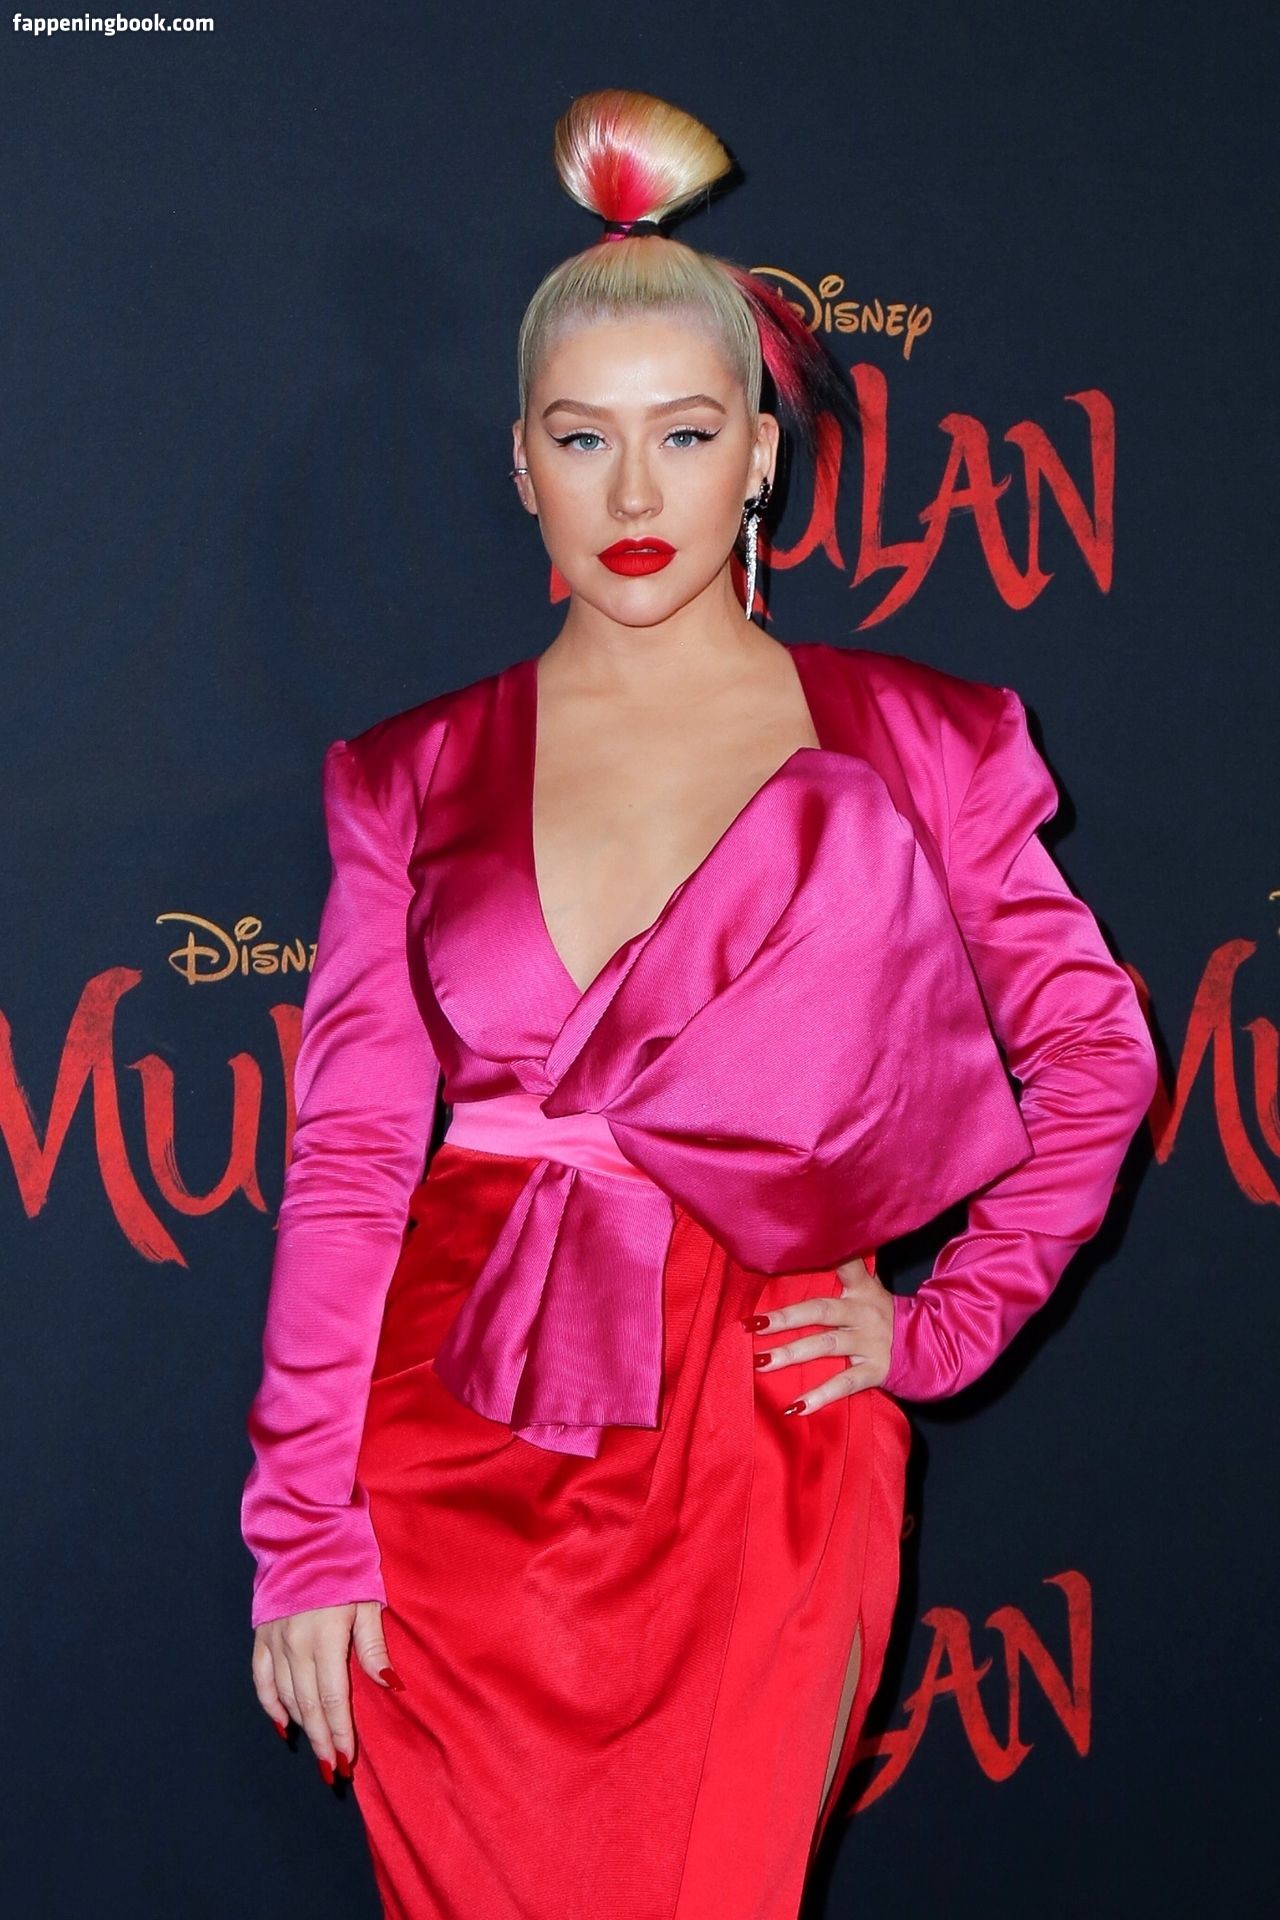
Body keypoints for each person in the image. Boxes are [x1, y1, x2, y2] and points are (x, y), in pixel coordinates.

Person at [240, 87, 1158, 1920]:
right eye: (584, 439)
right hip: (445, 1455)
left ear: (761, 458)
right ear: (521, 465)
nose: (636, 494)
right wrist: (303, 1528)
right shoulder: (408, 777)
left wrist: (943, 1325)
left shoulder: (922, 737)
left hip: (763, 1441)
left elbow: (1097, 1054)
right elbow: (347, 1162)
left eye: (685, 433)